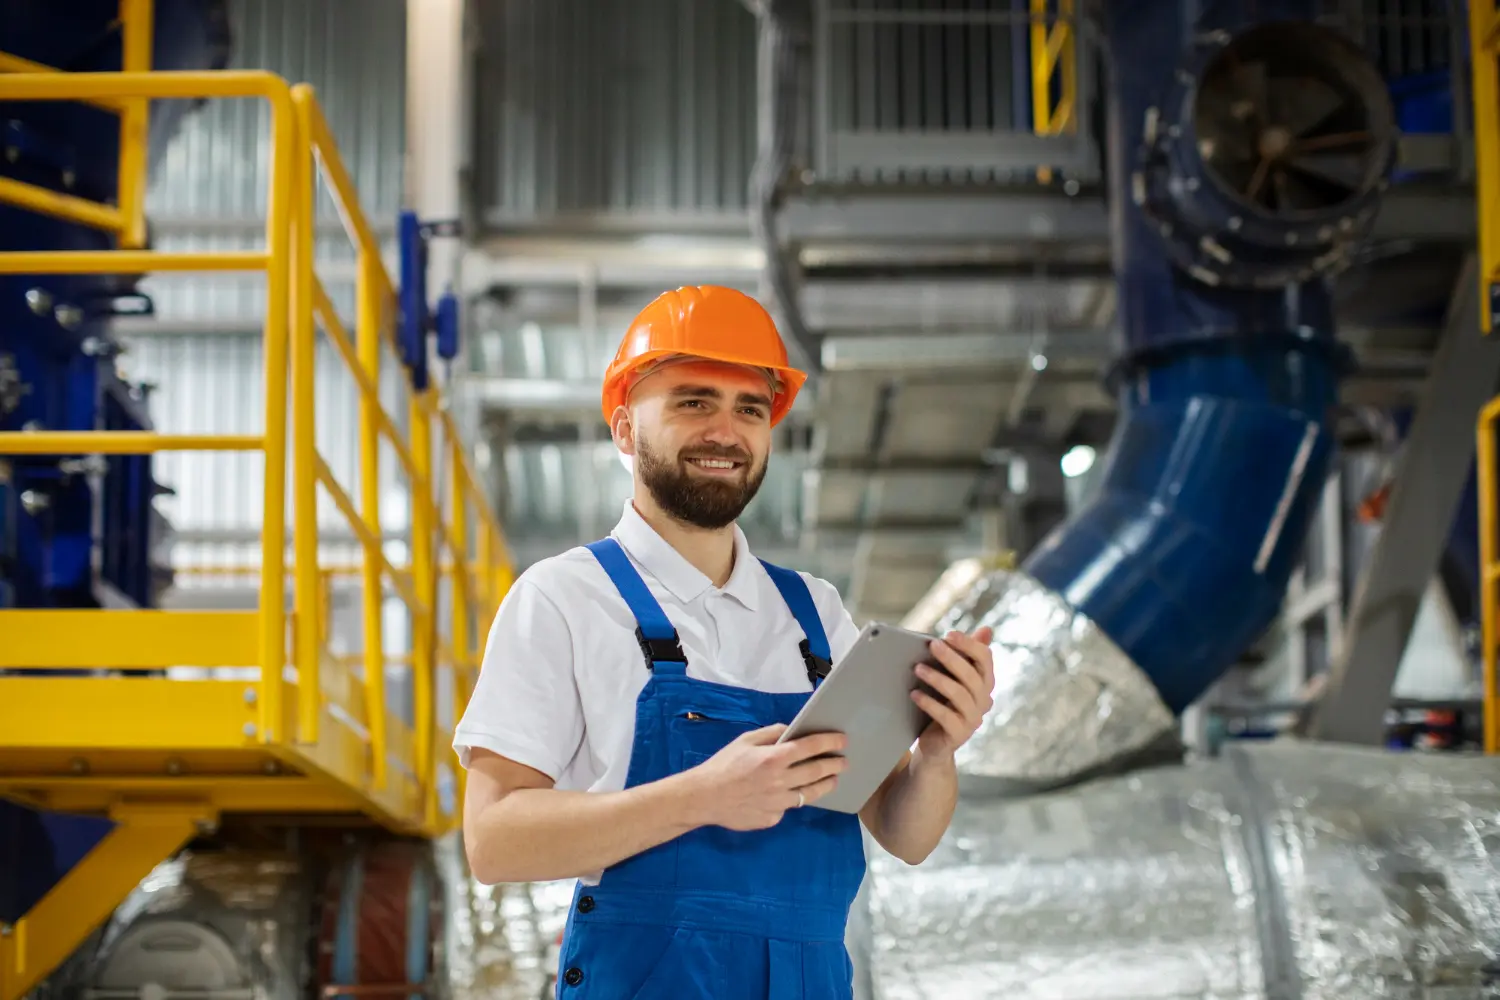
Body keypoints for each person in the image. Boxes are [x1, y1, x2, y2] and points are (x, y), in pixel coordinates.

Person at [454, 285, 996, 999]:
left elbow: (905, 833)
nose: (726, 431)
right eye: (692, 401)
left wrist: (936, 752)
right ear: (624, 429)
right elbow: (493, 841)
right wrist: (700, 797)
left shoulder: (815, 616)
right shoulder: (562, 599)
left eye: (750, 408)